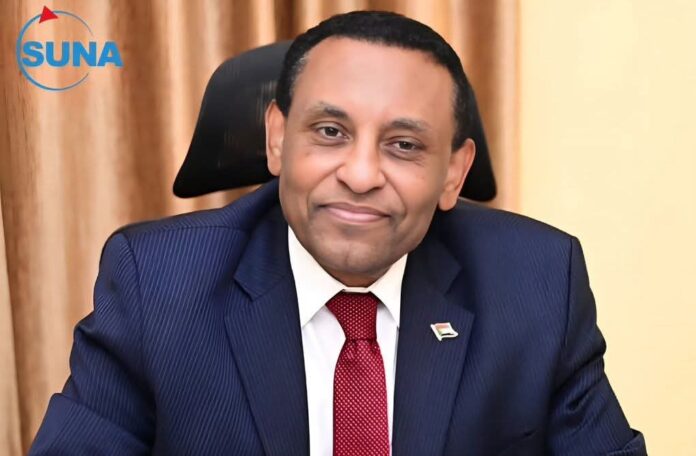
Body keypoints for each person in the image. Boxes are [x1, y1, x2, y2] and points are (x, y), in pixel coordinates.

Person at [30, 10, 646, 456]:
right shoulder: (159, 284)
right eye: (330, 132)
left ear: (454, 173)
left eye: (403, 145)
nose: (360, 174)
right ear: (277, 139)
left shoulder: (537, 284)